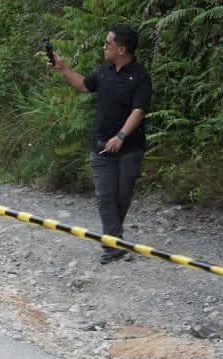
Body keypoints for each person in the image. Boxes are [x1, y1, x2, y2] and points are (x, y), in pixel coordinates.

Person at [51, 24, 152, 264]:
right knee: (104, 196)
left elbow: (139, 110)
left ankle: (114, 239)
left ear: (122, 49)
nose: (104, 47)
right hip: (100, 145)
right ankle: (113, 244)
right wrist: (63, 68)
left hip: (130, 148)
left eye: (108, 44)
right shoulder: (104, 71)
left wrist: (121, 136)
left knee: (122, 197)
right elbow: (84, 85)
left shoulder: (140, 77)